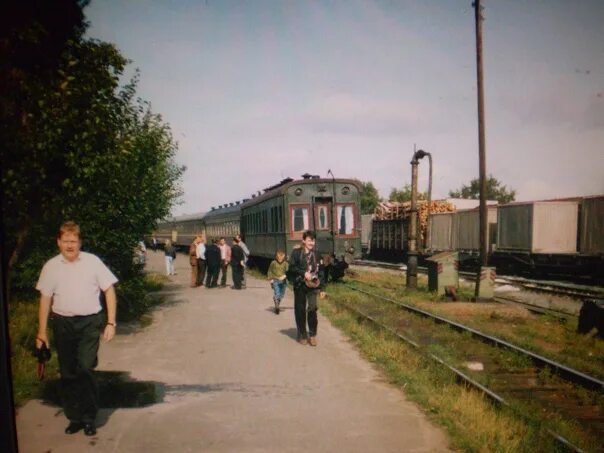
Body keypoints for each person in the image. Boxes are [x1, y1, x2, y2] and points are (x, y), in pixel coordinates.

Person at [35, 221, 118, 436]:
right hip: (63, 323)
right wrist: (42, 333)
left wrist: (111, 322)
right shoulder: (51, 266)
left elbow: (109, 290)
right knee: (68, 372)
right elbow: (45, 299)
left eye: (74, 241)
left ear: (80, 242)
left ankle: (89, 417)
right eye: (66, 241)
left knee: (85, 368)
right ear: (58, 242)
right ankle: (75, 418)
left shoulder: (93, 262)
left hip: (90, 322)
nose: (70, 245)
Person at [289, 230, 326, 346]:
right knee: (300, 310)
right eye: (309, 240)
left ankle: (313, 334)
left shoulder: (317, 255)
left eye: (313, 240)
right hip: (300, 285)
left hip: (313, 287)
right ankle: (302, 334)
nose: (312, 243)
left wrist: (323, 289)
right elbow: (291, 268)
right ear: (304, 241)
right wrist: (303, 273)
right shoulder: (296, 253)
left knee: (312, 308)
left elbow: (322, 272)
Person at [268, 249, 288, 314]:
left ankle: (277, 301)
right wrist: (270, 279)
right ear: (276, 256)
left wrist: (285, 276)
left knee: (282, 294)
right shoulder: (273, 263)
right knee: (277, 292)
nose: (280, 258)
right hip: (275, 280)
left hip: (283, 281)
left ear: (284, 256)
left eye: (282, 257)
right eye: (279, 256)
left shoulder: (285, 264)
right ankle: (277, 305)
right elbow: (270, 271)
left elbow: (288, 272)